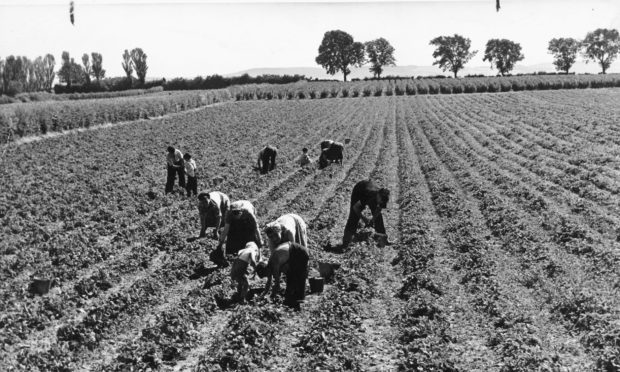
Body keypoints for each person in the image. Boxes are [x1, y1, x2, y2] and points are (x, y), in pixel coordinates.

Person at [256, 241, 309, 309]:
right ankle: (292, 301)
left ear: (266, 270)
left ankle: (298, 303)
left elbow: (277, 285)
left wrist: (271, 297)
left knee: (296, 277)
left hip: (299, 252)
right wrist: (263, 295)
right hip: (292, 254)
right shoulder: (269, 266)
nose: (268, 276)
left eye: (266, 274)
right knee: (290, 277)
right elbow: (269, 282)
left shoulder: (274, 263)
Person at [342, 179, 390, 247]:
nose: (380, 204)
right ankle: (346, 241)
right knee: (354, 216)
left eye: (381, 203)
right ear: (378, 195)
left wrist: (372, 220)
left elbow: (379, 209)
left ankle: (382, 240)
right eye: (380, 202)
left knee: (378, 218)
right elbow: (356, 208)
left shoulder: (383, 198)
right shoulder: (368, 195)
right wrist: (364, 219)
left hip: (372, 194)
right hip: (359, 191)